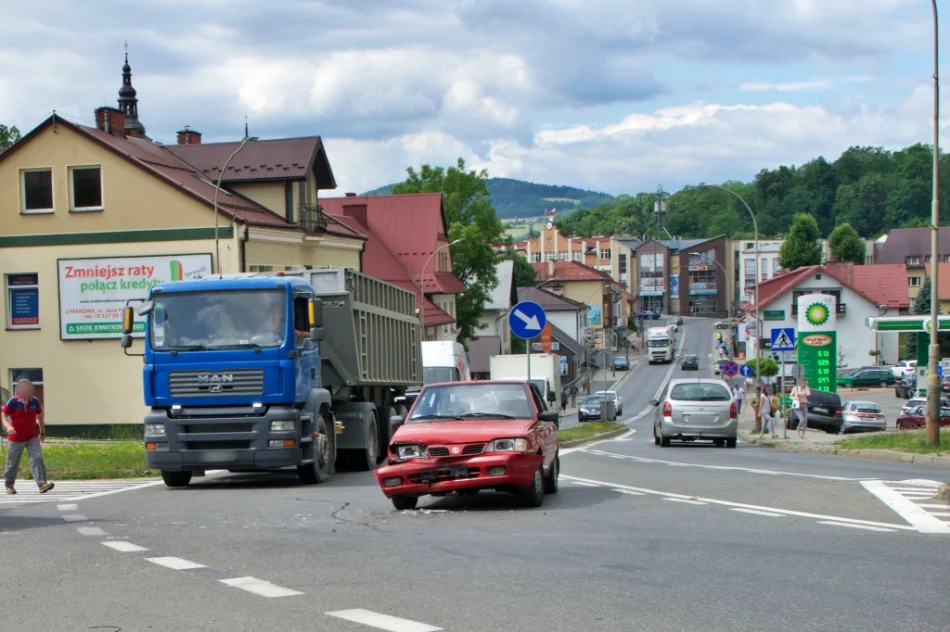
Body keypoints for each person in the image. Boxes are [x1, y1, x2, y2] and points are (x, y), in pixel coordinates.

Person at [3, 379, 54, 495]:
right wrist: (8, 426)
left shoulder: (34, 401)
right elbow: (3, 415)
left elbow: (40, 417)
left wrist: (42, 433)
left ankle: (42, 484)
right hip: (16, 438)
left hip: (31, 437)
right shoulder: (13, 402)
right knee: (12, 463)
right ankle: (9, 485)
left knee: (37, 458)